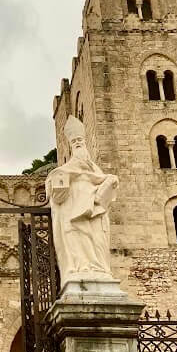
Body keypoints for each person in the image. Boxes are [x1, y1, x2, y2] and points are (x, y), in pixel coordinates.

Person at [46, 115, 118, 282]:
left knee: (98, 240)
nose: (77, 143)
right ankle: (80, 268)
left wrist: (110, 180)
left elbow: (100, 181)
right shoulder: (65, 169)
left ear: (85, 144)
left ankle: (99, 270)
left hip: (94, 211)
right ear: (71, 147)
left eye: (80, 140)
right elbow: (55, 180)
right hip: (73, 210)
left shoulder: (96, 169)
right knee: (76, 237)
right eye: (74, 141)